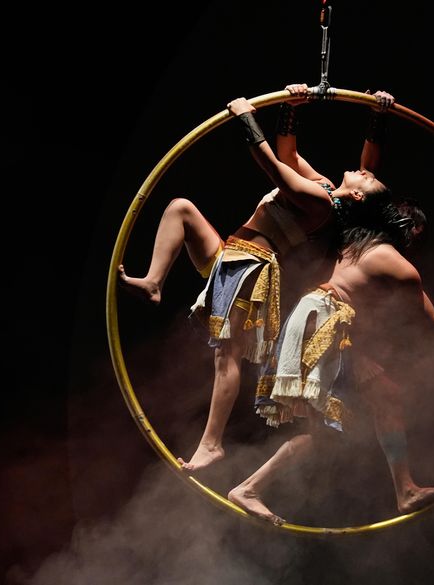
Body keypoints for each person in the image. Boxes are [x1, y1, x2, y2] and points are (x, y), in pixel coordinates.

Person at [118, 83, 396, 472]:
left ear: (359, 197)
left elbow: (273, 166)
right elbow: (288, 154)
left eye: (366, 178)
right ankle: (154, 282)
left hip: (252, 265)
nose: (361, 171)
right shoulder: (325, 187)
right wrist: (291, 107)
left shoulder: (322, 203)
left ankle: (212, 443)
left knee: (226, 353)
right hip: (230, 254)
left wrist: (246, 117)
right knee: (181, 209)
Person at [229, 199, 434, 525]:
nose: (415, 244)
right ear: (407, 229)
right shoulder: (400, 267)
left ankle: (252, 487)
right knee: (370, 406)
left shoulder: (353, 245)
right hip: (323, 321)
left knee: (362, 411)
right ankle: (402, 490)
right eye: (416, 235)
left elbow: (428, 321)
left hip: (316, 319)